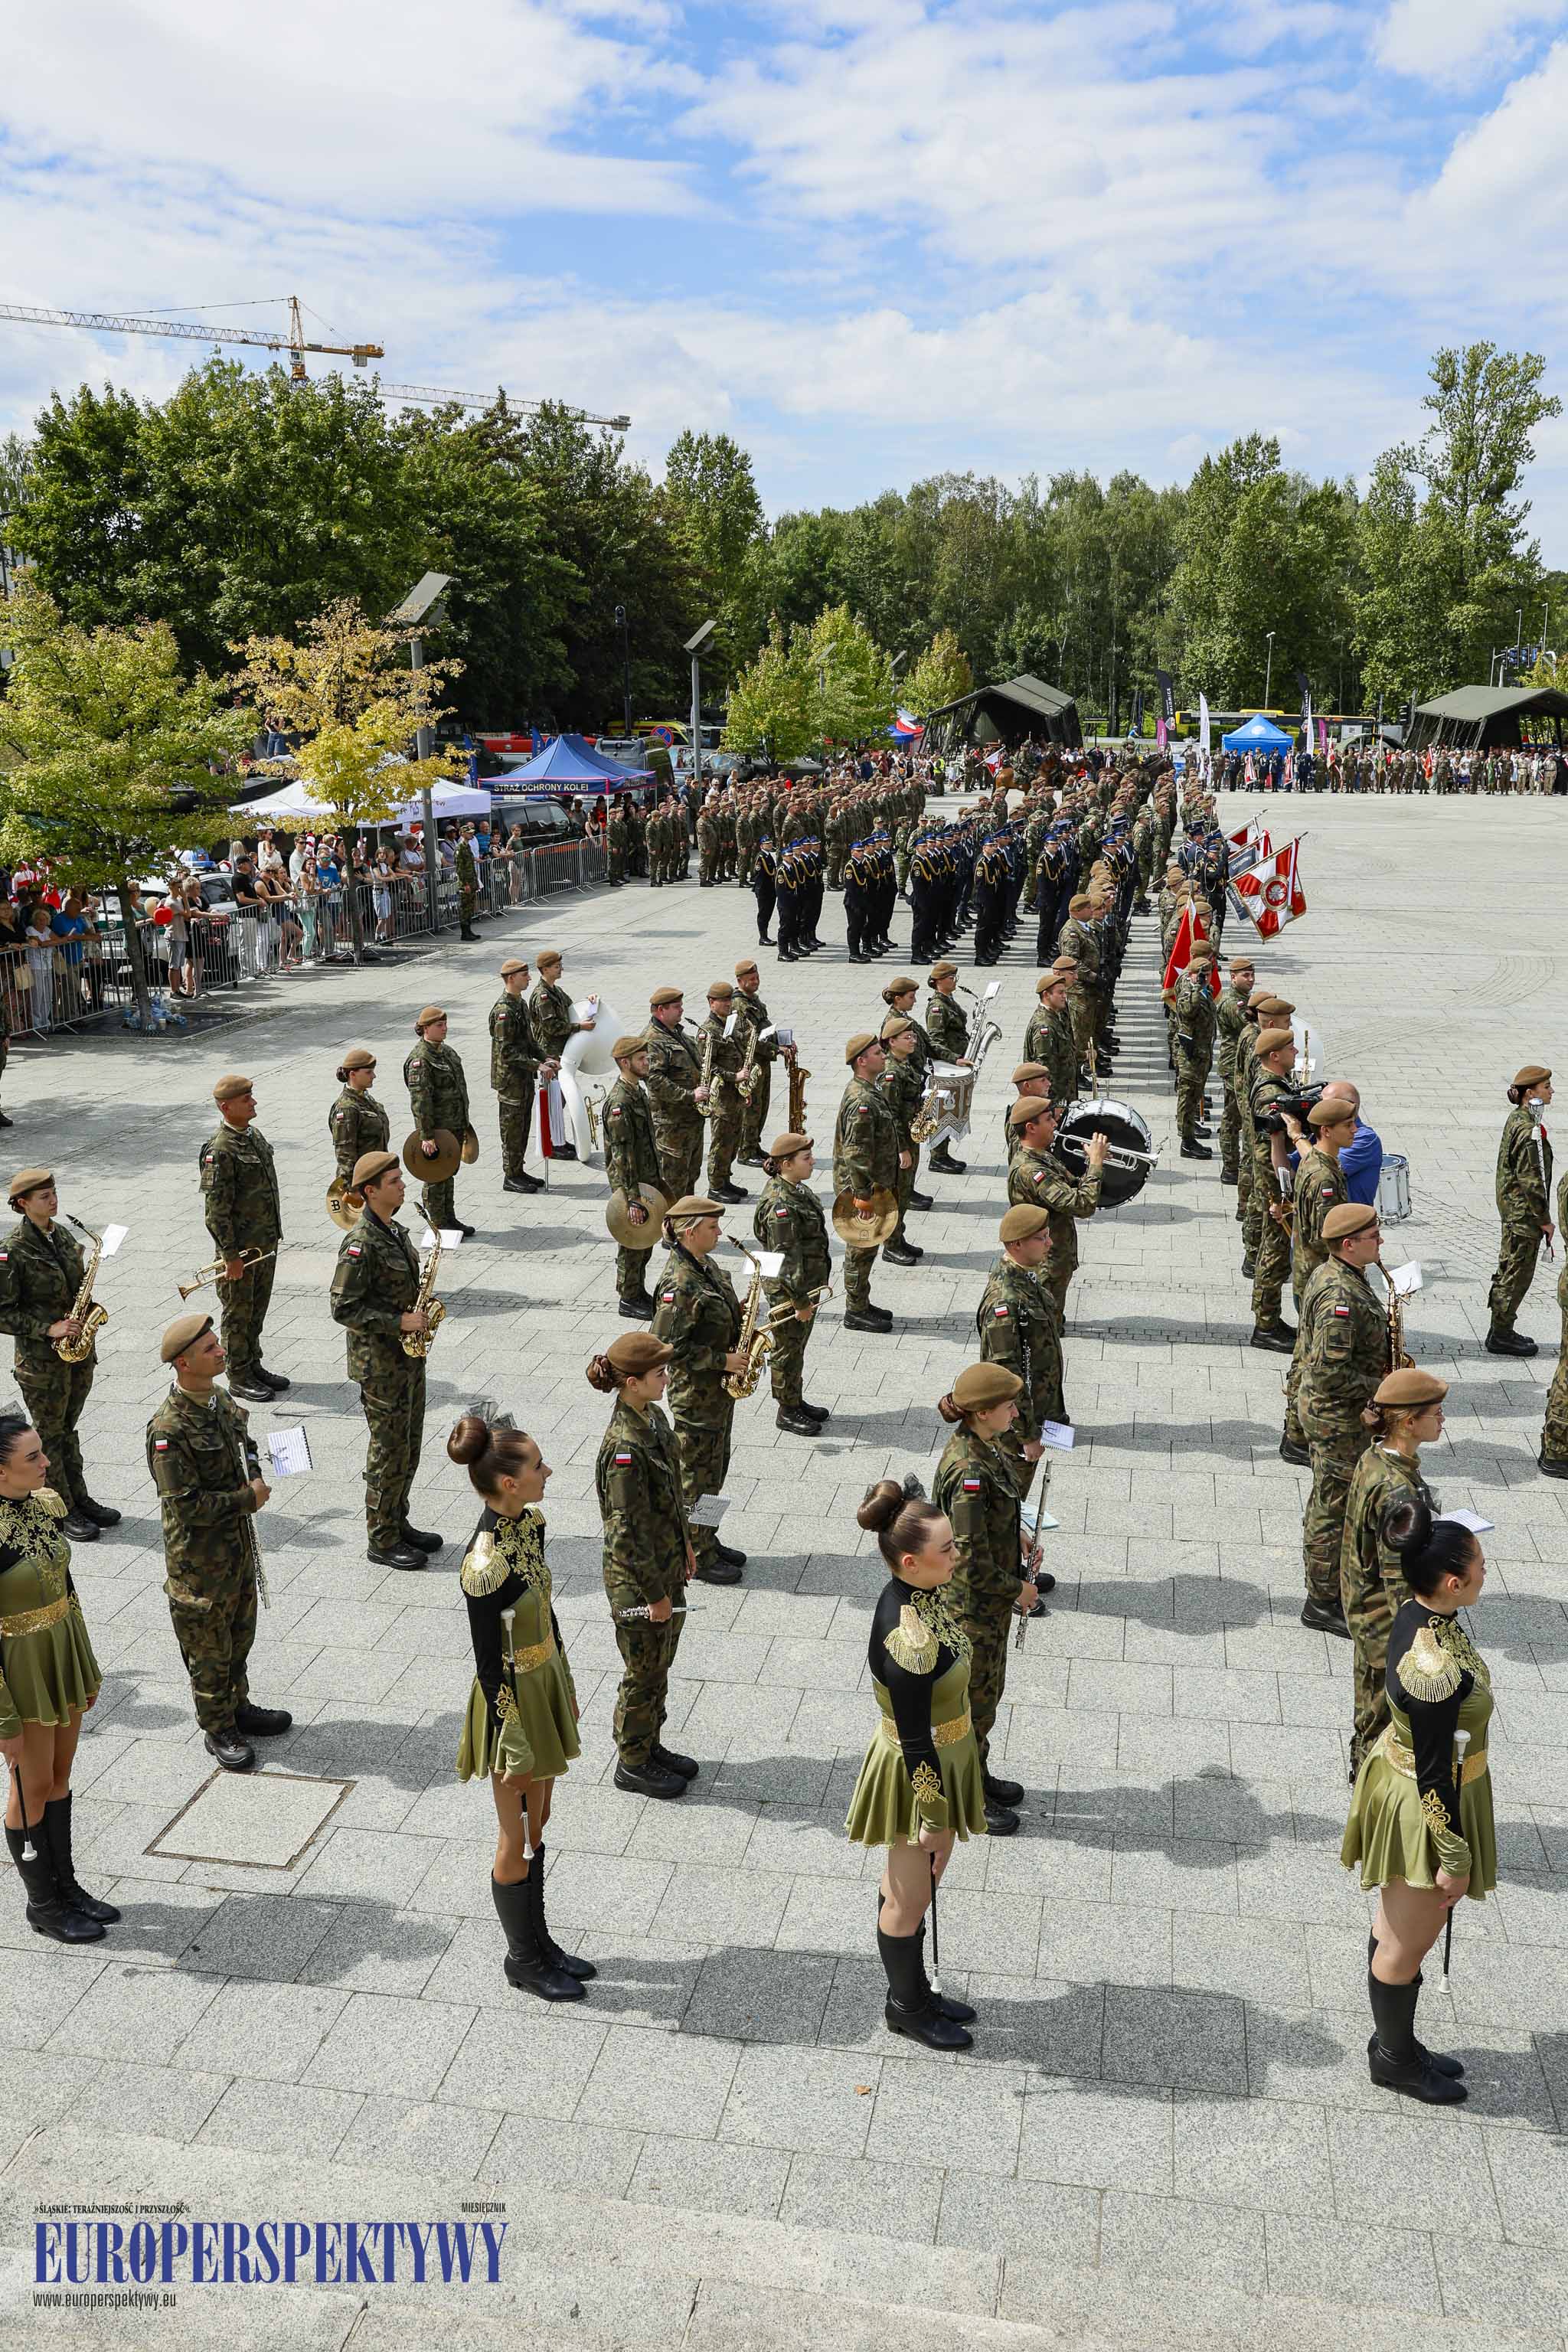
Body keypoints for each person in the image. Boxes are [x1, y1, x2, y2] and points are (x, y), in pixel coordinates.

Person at [1341, 1500, 1493, 2105]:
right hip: (1428, 1800)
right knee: (1408, 1943)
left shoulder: (1418, 1610)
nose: (1486, 1572)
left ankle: (1394, 2042)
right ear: (1453, 1582)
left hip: (1412, 1776)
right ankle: (1395, 2061)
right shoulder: (1435, 1672)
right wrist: (1453, 1858)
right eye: (1480, 1565)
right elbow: (1435, 1779)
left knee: (1393, 1926)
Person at [449, 1410, 590, 2001]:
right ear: (508, 1482)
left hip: (542, 1683)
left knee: (541, 1824)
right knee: (516, 1834)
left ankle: (541, 1940)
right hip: (510, 1706)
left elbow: (545, 1612)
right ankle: (522, 1958)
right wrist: (513, 1737)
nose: (547, 1472)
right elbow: (488, 1662)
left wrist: (567, 1680)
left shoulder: (527, 1526)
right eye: (537, 1466)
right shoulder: (485, 1566)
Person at [844, 1478, 986, 2051]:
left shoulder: (921, 1594)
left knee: (918, 1885)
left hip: (946, 1754)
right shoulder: (906, 1637)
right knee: (910, 1894)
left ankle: (917, 1991)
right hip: (917, 1774)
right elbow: (914, 1735)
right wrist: (932, 1811)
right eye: (947, 1549)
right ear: (911, 1560)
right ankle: (905, 2006)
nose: (957, 1554)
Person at [146, 1312, 289, 1772]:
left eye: (217, 1344)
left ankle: (238, 1707)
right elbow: (186, 1505)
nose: (221, 1351)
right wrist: (247, 1498)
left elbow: (244, 1442)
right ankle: (217, 1727)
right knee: (209, 1648)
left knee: (239, 1634)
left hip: (236, 1549)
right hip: (198, 1563)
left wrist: (257, 1472)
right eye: (210, 1349)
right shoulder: (169, 1431)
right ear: (184, 1363)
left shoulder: (220, 1400)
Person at [0, 1410, 116, 1945]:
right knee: (32, 1785)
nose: (47, 1463)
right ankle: (42, 1905)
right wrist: (4, 1722)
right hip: (20, 1670)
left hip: (60, 1654)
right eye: (33, 1458)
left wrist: (82, 1666)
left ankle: (66, 1885)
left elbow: (68, 1591)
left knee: (60, 1777)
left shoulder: (45, 1504)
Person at [589, 1331, 698, 1799]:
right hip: (640, 1582)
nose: (667, 1379)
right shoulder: (624, 1450)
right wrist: (655, 1593)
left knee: (661, 1665)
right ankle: (632, 1762)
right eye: (659, 1374)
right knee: (643, 1671)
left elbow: (669, 1495)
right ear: (631, 1383)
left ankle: (651, 1744)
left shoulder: (651, 1417)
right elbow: (625, 1536)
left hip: (665, 1566)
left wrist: (688, 1547)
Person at [932, 1363, 1038, 1833]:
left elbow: (989, 1522)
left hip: (985, 1610)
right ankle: (960, 1796)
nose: (1015, 1412)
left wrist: (1014, 1534)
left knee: (985, 1699)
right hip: (969, 1611)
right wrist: (1019, 1589)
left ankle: (977, 1771)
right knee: (967, 1707)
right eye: (1008, 1406)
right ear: (982, 1413)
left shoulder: (986, 1447)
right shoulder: (969, 1470)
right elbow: (968, 1561)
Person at [329, 1151, 440, 1572]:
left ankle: (397, 1519)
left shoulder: (395, 1230)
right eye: (394, 1181)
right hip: (380, 1365)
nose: (403, 1184)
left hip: (407, 1358)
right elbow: (343, 1308)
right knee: (388, 1451)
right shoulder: (360, 1245)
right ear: (370, 1191)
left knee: (409, 1447)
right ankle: (381, 1538)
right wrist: (398, 1321)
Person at [0, 1168, 118, 1542]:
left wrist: (83, 1312)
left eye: (53, 1193)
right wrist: (48, 1328)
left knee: (68, 1429)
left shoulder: (62, 1233)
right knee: (50, 1434)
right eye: (43, 1196)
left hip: (77, 1352)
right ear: (23, 1204)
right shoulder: (11, 1250)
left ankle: (80, 1498)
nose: (53, 1200)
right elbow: (3, 1311)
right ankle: (60, 1510)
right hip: (41, 1362)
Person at [1342, 1367, 1446, 1777]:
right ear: (1408, 1422)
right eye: (1435, 1413)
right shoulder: (1396, 1489)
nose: (1442, 1420)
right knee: (1381, 1726)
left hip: (1365, 1612)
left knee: (1371, 1714)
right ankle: (1370, 1809)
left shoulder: (1376, 1456)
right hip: (1383, 1628)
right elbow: (1398, 1586)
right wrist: (1423, 1645)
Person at [1298, 1201, 1388, 1638]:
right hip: (1337, 1420)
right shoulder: (1340, 1295)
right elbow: (1330, 1372)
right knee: (1333, 1509)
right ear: (1349, 1244)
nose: (1381, 1241)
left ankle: (1334, 1583)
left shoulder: (1342, 1273)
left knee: (1334, 1503)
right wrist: (1383, 1387)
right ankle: (1321, 1601)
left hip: (1341, 1414)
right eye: (1374, 1236)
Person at [650, 1196, 747, 1586]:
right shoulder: (679, 1283)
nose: (719, 1233)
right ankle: (697, 1554)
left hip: (718, 1396)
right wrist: (722, 1361)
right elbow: (666, 1346)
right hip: (697, 1399)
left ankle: (707, 1535)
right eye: (712, 1227)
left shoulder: (705, 1265)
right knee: (696, 1480)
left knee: (715, 1472)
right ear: (690, 1231)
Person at [200, 1073, 285, 1403]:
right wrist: (230, 1256)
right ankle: (237, 1374)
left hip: (264, 1244)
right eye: (246, 1099)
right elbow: (216, 1212)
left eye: (252, 1096)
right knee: (238, 1312)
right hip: (240, 1250)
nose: (254, 1102)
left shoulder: (253, 1136)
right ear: (226, 1106)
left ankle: (253, 1364)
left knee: (257, 1309)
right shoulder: (219, 1150)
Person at [976, 1203, 1066, 1493]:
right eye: (1041, 1238)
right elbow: (1007, 1374)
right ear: (1017, 1244)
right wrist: (1027, 1434)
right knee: (1009, 1501)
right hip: (1014, 1428)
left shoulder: (1025, 1276)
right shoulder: (1006, 1301)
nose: (1050, 1243)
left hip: (1035, 1411)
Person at [753, 1132, 831, 1436]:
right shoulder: (780, 1205)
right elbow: (784, 1260)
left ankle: (795, 1400)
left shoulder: (795, 1189)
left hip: (805, 1285)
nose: (812, 1162)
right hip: (790, 1292)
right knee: (787, 1350)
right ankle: (786, 1410)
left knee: (797, 1348)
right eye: (806, 1158)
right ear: (787, 1164)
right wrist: (800, 1301)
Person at [1005, 1096, 1106, 1322]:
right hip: (1046, 1262)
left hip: (1054, 1251)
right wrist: (1096, 1165)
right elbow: (1082, 1205)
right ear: (1031, 1128)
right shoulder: (1032, 1170)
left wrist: (1092, 1163)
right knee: (1046, 1323)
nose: (1055, 1123)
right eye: (1049, 1119)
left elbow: (1071, 1187)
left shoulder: (1042, 1156)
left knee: (1052, 1315)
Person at [835, 1031, 904, 1333]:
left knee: (868, 1248)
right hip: (862, 1190)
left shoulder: (869, 1090)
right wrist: (862, 1197)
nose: (884, 1056)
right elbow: (856, 1153)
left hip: (872, 1186)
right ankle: (855, 1311)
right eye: (878, 1053)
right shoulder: (862, 1100)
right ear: (862, 1061)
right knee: (860, 1248)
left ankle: (862, 1302)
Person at [1485, 1064, 1553, 1356]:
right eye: (1546, 1087)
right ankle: (1501, 1334)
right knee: (1516, 1274)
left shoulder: (1519, 1118)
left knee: (1510, 1270)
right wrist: (1545, 1219)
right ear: (1530, 1093)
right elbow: (1531, 1179)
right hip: (1523, 1215)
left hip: (1516, 1211)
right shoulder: (1528, 1130)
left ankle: (1501, 1329)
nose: (1551, 1091)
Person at [602, 1034, 664, 1321]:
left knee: (645, 1241)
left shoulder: (637, 1091)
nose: (647, 1063)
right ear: (625, 1063)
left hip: (645, 1179)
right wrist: (632, 1199)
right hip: (631, 1185)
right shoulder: (620, 1102)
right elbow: (621, 1156)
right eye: (642, 1059)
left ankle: (638, 1290)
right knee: (631, 1242)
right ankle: (628, 1298)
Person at [403, 1006, 473, 1239]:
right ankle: (436, 1223)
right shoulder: (420, 1060)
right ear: (425, 1029)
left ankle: (449, 1217)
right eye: (439, 1025)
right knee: (435, 1175)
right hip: (437, 1129)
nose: (444, 1029)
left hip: (454, 1125)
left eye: (445, 1024)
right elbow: (421, 1100)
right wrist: (426, 1135)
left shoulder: (447, 1052)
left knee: (449, 1171)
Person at [642, 986, 710, 1203]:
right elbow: (654, 1081)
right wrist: (690, 1095)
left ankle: (686, 1225)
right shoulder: (653, 1040)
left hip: (691, 1120)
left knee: (690, 1175)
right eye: (677, 1007)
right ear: (661, 1010)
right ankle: (671, 1231)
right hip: (672, 1124)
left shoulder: (677, 1032)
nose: (682, 1010)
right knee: (673, 1182)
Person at [489, 956, 550, 1196]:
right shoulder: (504, 1011)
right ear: (512, 978)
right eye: (525, 975)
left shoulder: (520, 1004)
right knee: (512, 1128)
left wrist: (544, 1058)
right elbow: (508, 1052)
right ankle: (510, 1175)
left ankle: (519, 1170)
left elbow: (529, 1041)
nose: (529, 978)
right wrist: (536, 1066)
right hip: (510, 1081)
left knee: (523, 1125)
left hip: (523, 1078)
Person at [528, 952, 590, 1161]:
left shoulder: (555, 991)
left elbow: (572, 1008)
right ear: (545, 970)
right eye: (556, 967)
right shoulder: (542, 996)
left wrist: (589, 1004)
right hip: (549, 1054)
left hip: (559, 1053)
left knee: (559, 1099)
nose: (560, 969)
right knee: (553, 1100)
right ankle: (553, 1144)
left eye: (560, 966)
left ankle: (558, 1139)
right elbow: (552, 1027)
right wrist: (579, 1027)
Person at [877, 1014, 924, 1268]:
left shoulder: (905, 1065)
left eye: (913, 1036)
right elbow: (890, 1115)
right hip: (899, 1142)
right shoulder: (891, 1074)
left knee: (905, 1193)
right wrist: (902, 1149)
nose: (913, 1040)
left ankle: (899, 1236)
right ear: (892, 1041)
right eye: (907, 1037)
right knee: (896, 1195)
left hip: (910, 1136)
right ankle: (891, 1246)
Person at [697, 980, 750, 1204]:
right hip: (722, 1098)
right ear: (711, 1003)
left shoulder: (728, 1023)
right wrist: (734, 1077)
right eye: (723, 1001)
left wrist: (744, 1088)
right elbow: (707, 1066)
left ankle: (725, 1179)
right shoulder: (709, 1030)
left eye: (730, 1000)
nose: (729, 1004)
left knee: (733, 1140)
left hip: (735, 1095)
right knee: (721, 1143)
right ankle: (716, 1187)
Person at [732, 958, 783, 1168]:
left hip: (762, 1063)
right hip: (750, 1063)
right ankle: (745, 1151)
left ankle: (754, 1145)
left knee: (761, 1106)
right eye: (751, 979)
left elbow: (765, 1027)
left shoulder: (754, 1001)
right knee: (751, 1108)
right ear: (740, 980)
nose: (756, 982)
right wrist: (776, 1049)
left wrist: (783, 1040)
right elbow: (748, 1039)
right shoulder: (739, 1005)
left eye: (757, 977)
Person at [923, 963, 970, 1174]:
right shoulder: (937, 1007)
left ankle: (944, 1153)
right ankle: (937, 1157)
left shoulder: (948, 1001)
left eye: (955, 977)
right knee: (942, 1112)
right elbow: (935, 1042)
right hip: (946, 1067)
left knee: (952, 1112)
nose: (955, 981)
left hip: (954, 1066)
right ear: (939, 981)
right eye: (951, 978)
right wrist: (954, 1059)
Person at [1173, 943, 1217, 1159]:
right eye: (1201, 974)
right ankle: (1187, 1141)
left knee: (1195, 1095)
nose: (1206, 977)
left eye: (1208, 974)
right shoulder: (1189, 990)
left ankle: (1190, 1134)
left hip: (1202, 1053)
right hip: (1190, 1055)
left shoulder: (1205, 991)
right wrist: (1196, 987)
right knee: (1188, 1097)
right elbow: (1187, 1011)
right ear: (1191, 974)